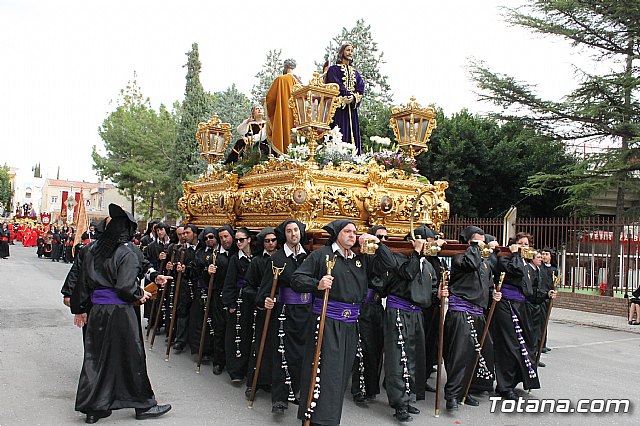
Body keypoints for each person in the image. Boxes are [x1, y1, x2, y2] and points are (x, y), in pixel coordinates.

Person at [72, 204, 171, 423]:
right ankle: (143, 405)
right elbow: (126, 288)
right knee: (131, 356)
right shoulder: (125, 253)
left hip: (97, 311)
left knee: (95, 358)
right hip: (120, 313)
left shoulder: (90, 250)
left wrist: (79, 308)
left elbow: (82, 283)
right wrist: (140, 294)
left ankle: (93, 409)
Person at [292, 219, 395, 426]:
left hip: (351, 324)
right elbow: (297, 279)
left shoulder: (359, 260)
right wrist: (317, 284)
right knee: (325, 371)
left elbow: (390, 264)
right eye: (347, 231)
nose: (352, 235)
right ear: (337, 234)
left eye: (355, 232)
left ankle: (330, 418)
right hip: (328, 321)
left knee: (341, 374)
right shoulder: (321, 255)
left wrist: (378, 243)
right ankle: (315, 418)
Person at [382, 225, 442, 422]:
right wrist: (416, 251)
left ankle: (408, 398)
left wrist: (439, 294)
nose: (432, 246)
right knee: (398, 358)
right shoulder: (400, 257)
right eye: (429, 242)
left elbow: (430, 292)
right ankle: (399, 403)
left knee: (414, 357)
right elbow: (408, 273)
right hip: (399, 310)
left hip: (417, 314)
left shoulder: (429, 265)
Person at [443, 226, 501, 410]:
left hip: (478, 312)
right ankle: (452, 394)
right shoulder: (460, 256)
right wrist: (475, 247)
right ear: (468, 241)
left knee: (476, 355)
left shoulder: (483, 261)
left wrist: (493, 294)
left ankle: (465, 390)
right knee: (459, 355)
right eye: (477, 240)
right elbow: (470, 264)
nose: (481, 244)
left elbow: (487, 282)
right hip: (461, 311)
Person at [493, 232, 555, 400]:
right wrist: (514, 254)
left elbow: (531, 292)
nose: (524, 246)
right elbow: (514, 269)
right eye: (520, 243)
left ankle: (512, 382)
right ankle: (504, 386)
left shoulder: (528, 265)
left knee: (526, 346)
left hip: (522, 307)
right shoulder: (506, 259)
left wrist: (547, 294)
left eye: (526, 244)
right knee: (509, 346)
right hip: (506, 305)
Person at [259, 219, 311, 415]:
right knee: (281, 353)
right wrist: (266, 300)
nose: (293, 234)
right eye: (289, 231)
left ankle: (297, 391)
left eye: (296, 230)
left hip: (306, 313)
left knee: (303, 354)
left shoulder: (310, 257)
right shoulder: (277, 259)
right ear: (285, 235)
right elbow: (265, 289)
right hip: (284, 313)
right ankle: (280, 399)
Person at [351, 225, 387, 405]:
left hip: (377, 307)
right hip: (362, 307)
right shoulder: (361, 256)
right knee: (362, 349)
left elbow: (390, 264)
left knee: (377, 348)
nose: (381, 240)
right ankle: (359, 390)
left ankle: (372, 388)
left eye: (385, 238)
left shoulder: (383, 256)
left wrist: (381, 245)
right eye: (378, 236)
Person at [244, 226, 279, 400]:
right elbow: (248, 287)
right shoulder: (257, 261)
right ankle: (253, 383)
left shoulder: (282, 260)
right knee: (259, 345)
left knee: (276, 347)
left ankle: (271, 381)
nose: (271, 243)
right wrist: (260, 299)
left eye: (273, 240)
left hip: (280, 309)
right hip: (262, 309)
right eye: (267, 240)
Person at [222, 227, 255, 383]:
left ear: (249, 239)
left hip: (253, 300)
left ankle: (249, 368)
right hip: (239, 299)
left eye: (242, 239)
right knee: (236, 335)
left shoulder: (255, 257)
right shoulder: (235, 259)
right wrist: (230, 303)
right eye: (237, 240)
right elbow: (229, 283)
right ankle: (235, 370)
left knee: (250, 334)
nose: (239, 242)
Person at [325, 43, 365, 154]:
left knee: (354, 134)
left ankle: (354, 158)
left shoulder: (355, 73)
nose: (350, 52)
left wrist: (353, 97)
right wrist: (345, 94)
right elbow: (334, 83)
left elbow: (361, 87)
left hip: (351, 109)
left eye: (351, 51)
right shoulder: (333, 69)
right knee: (338, 132)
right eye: (348, 50)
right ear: (342, 52)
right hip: (338, 108)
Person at [266, 58, 302, 155]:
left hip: (283, 116)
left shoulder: (280, 80)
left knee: (284, 137)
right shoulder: (300, 82)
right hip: (298, 119)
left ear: (285, 66)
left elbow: (270, 99)